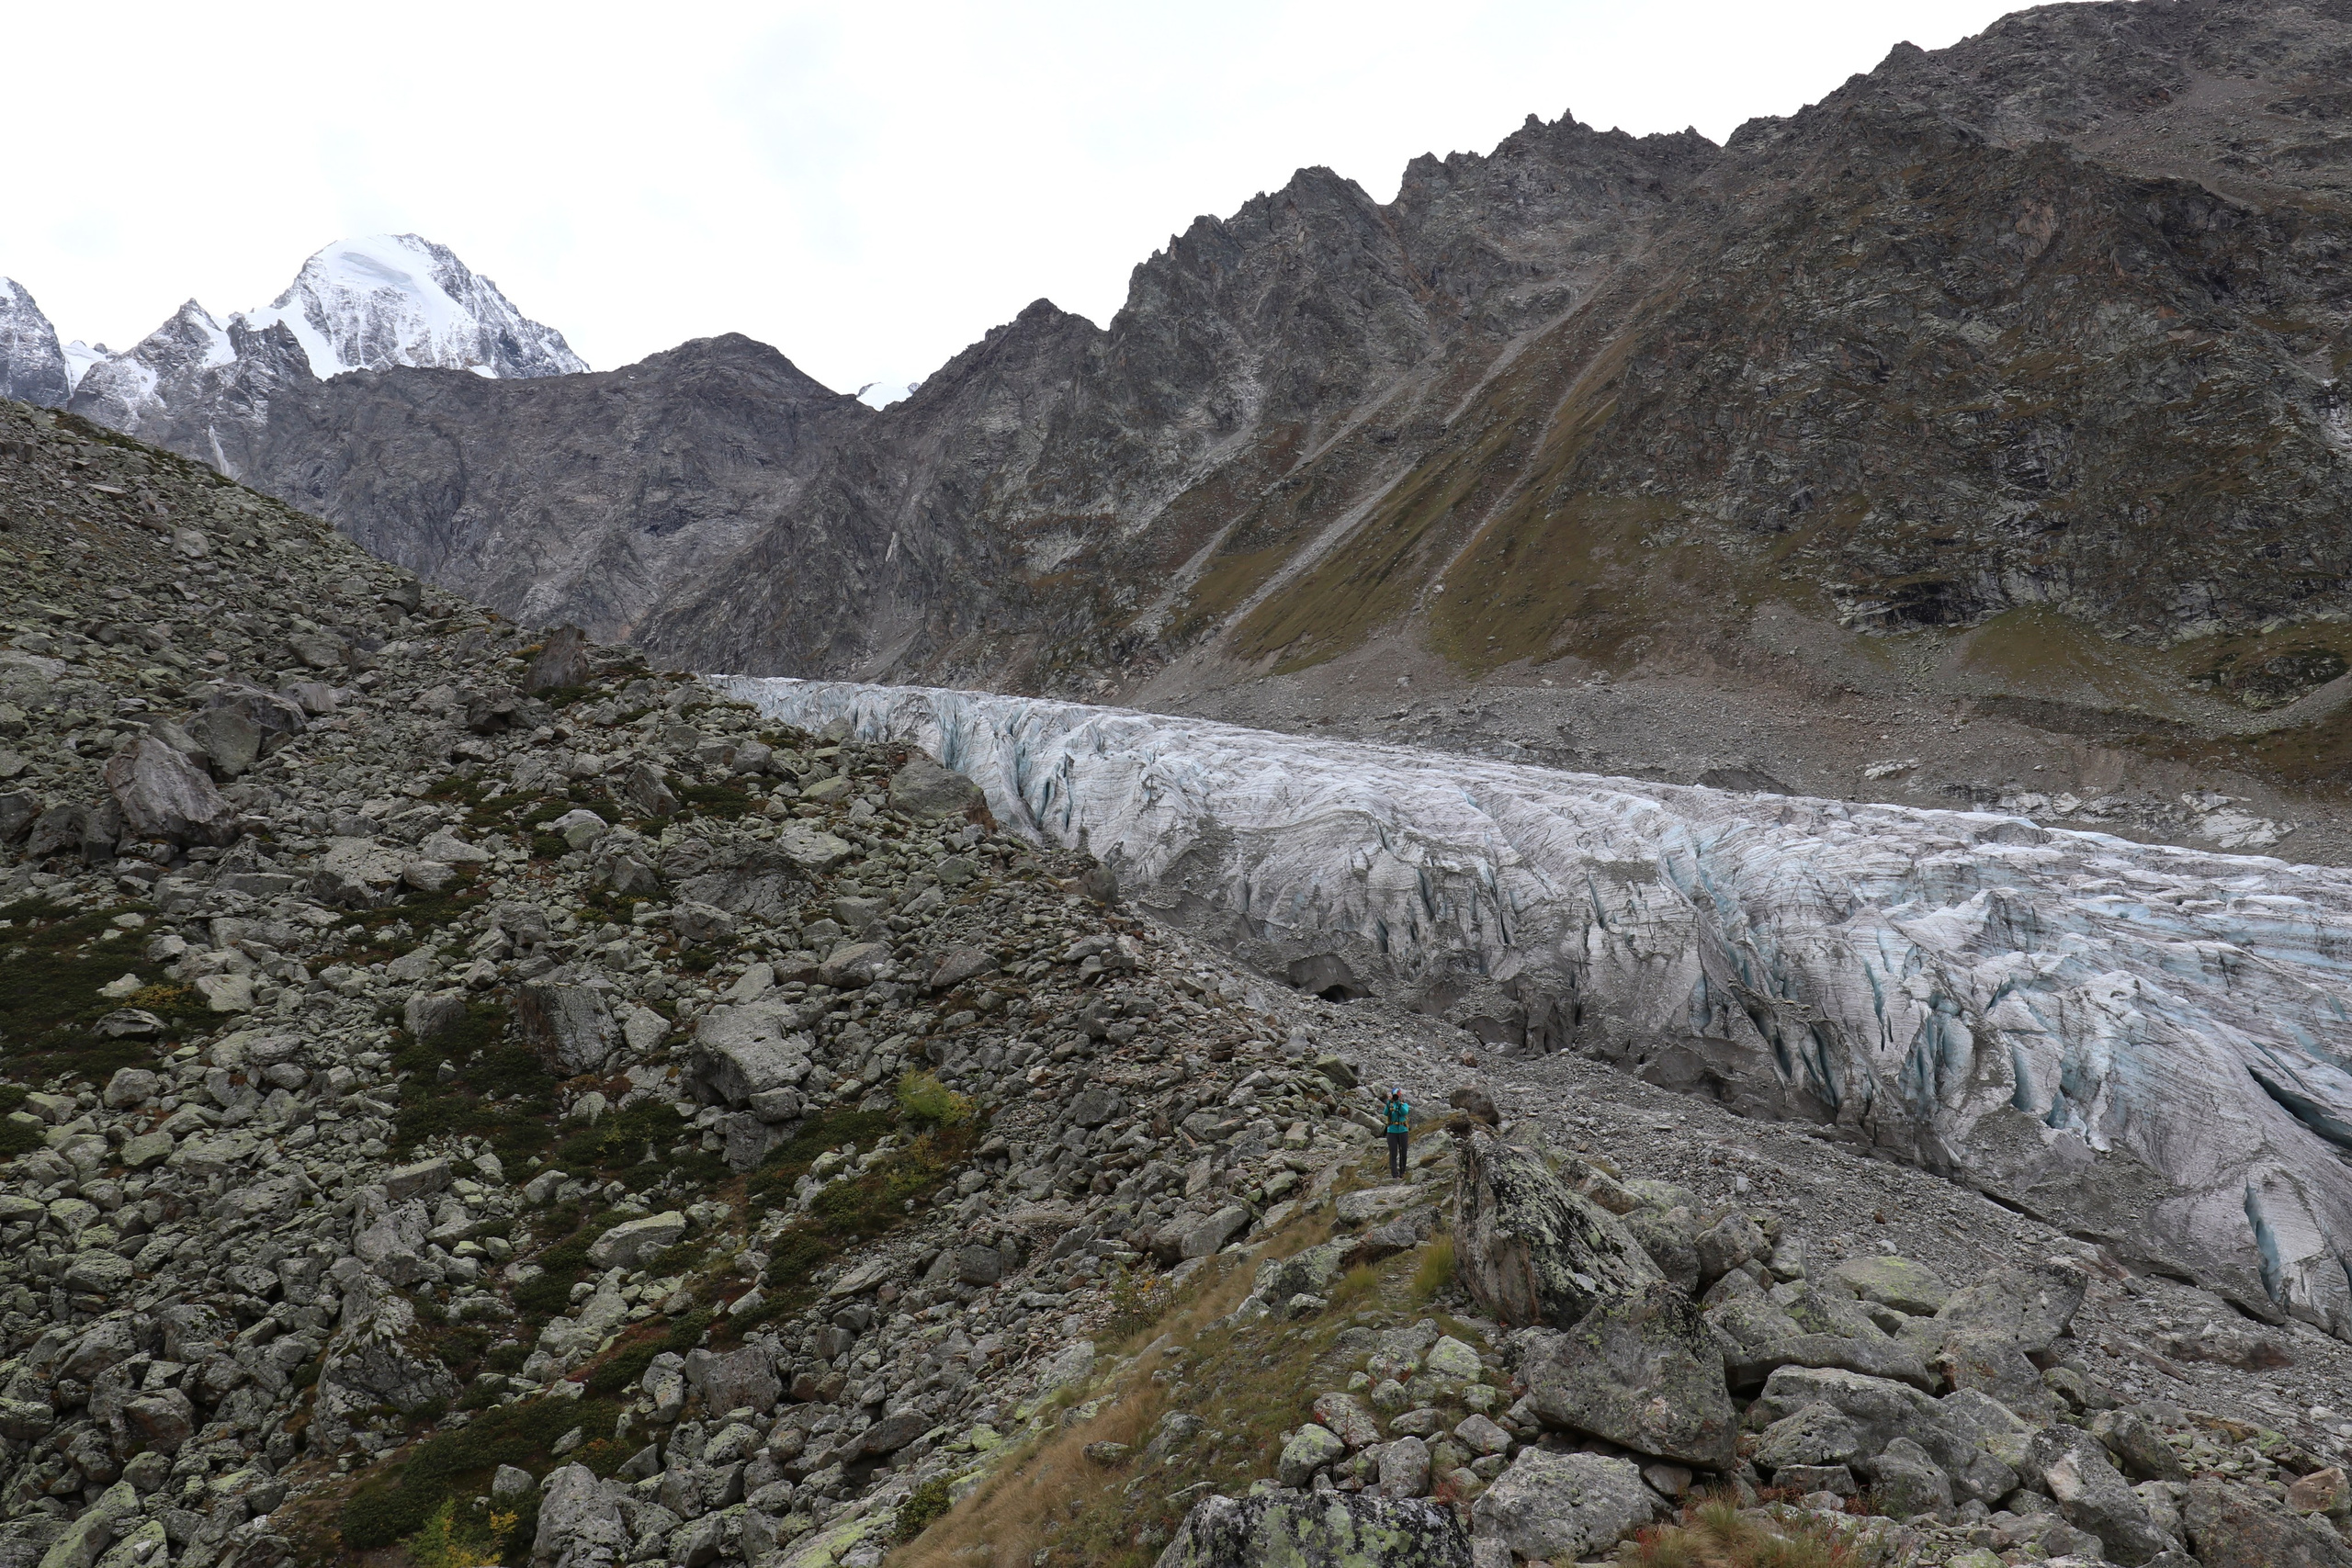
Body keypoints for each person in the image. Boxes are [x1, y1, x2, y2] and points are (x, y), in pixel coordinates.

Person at [1383, 1087, 1411, 1179]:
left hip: (1403, 1131)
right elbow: (1385, 1113)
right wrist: (1389, 1102)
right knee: (1393, 1152)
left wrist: (1398, 1103)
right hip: (1392, 1131)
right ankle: (1394, 1174)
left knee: (1403, 1152)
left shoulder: (1404, 1105)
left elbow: (1404, 1112)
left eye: (1397, 1096)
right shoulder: (1390, 1104)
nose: (1396, 1098)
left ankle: (1402, 1171)